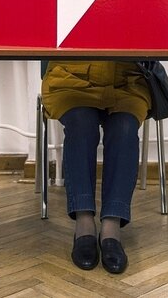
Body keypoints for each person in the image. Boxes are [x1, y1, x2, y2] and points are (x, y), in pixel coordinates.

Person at [41, 61, 150, 274]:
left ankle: (112, 224)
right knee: (82, 125)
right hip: (71, 80)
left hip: (127, 82)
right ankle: (84, 222)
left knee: (125, 129)